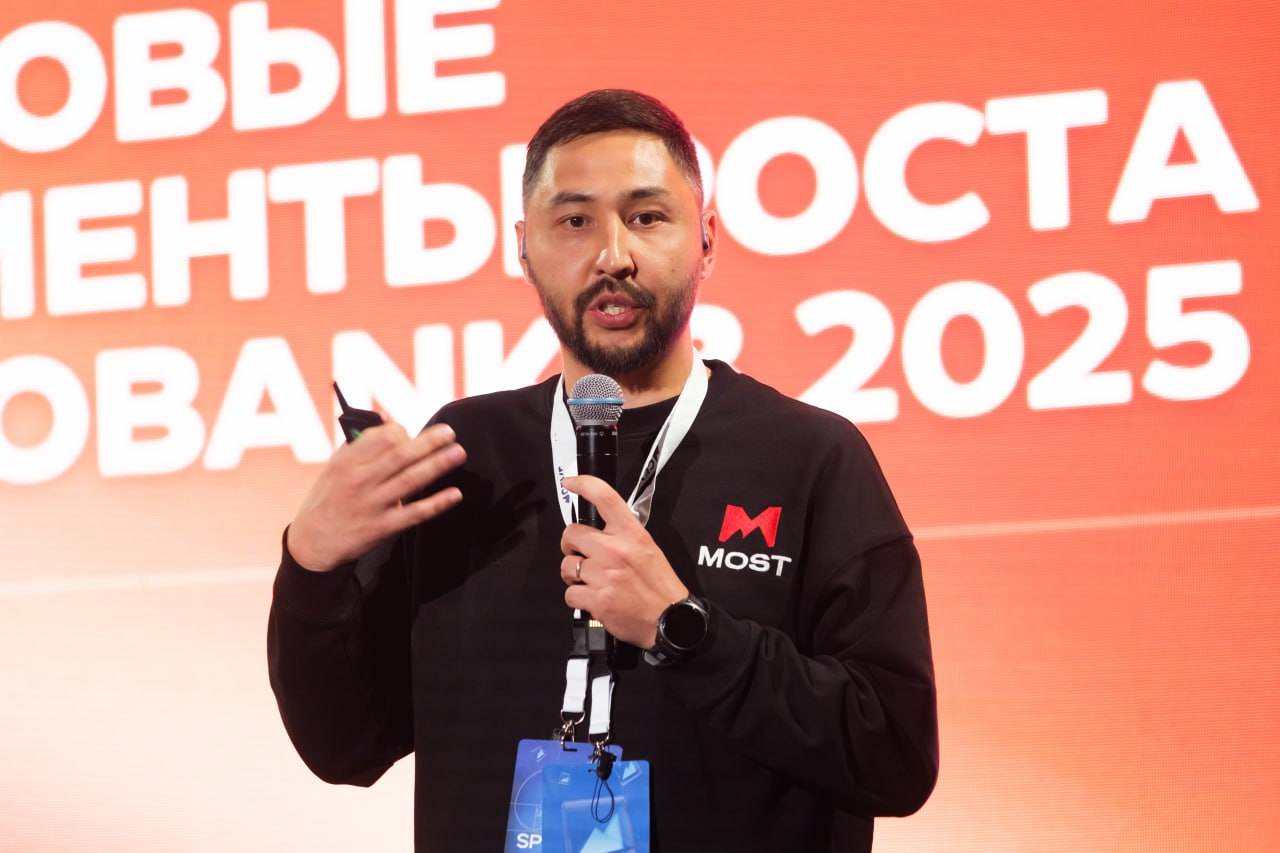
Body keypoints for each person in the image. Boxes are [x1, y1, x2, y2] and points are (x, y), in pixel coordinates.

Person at [268, 89, 938, 852]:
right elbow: (343, 746)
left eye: (647, 217)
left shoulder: (812, 457)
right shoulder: (466, 453)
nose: (612, 255)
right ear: (524, 248)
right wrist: (311, 567)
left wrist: (684, 629)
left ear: (707, 239)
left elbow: (896, 754)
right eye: (575, 221)